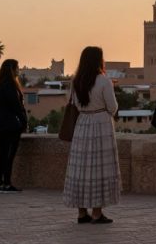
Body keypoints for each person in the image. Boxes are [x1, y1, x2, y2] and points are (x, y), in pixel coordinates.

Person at [63, 46, 120, 224]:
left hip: (82, 124)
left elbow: (73, 102)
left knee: (80, 169)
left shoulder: (76, 81)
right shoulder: (104, 81)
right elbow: (112, 107)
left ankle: (82, 213)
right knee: (99, 168)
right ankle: (96, 213)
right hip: (101, 125)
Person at [0, 59, 27, 193]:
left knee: (3, 154)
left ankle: (0, 183)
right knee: (8, 155)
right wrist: (24, 121)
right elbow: (16, 106)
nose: (19, 70)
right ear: (12, 70)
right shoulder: (9, 86)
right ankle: (5, 183)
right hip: (10, 124)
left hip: (3, 123)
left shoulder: (1, 85)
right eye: (17, 68)